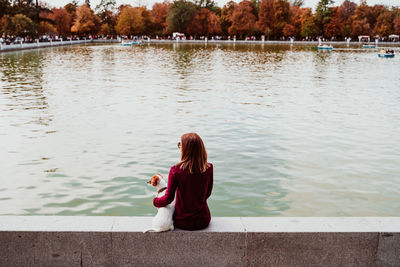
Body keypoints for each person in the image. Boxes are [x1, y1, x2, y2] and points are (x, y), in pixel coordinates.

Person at [153, 133, 213, 230]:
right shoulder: (209, 168)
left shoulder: (175, 171)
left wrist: (155, 201)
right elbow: (208, 194)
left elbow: (168, 199)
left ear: (186, 149)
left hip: (182, 221)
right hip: (203, 220)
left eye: (180, 145)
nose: (179, 147)